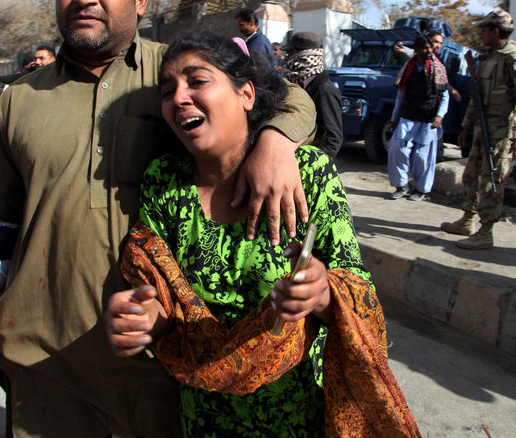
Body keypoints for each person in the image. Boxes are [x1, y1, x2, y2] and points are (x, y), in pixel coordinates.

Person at [0, 0, 316, 437]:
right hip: (45, 363)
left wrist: (274, 141)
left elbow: (290, 95)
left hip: (162, 362)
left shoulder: (175, 75)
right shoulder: (17, 100)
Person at [105, 32, 420, 437]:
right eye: (168, 90)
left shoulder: (308, 173)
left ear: (247, 94)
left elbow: (360, 293)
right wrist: (149, 318)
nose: (179, 98)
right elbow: (165, 300)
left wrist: (322, 293)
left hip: (301, 415)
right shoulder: (163, 182)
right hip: (204, 418)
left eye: (197, 81)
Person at [441, 9, 516, 249]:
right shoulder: (487, 59)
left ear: (495, 30)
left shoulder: (514, 59)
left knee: (491, 182)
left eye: (484, 29)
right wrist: (465, 127)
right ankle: (468, 219)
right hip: (481, 130)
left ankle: (486, 232)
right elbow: (477, 97)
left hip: (501, 133)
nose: (480, 33)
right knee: (471, 176)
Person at [387, 34, 449, 201]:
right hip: (408, 116)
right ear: (417, 50)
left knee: (422, 156)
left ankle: (421, 189)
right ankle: (401, 185)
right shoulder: (409, 67)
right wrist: (394, 118)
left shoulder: (438, 68)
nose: (429, 50)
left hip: (428, 119)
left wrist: (439, 115)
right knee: (398, 149)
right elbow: (401, 95)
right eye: (425, 48)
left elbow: (444, 96)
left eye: (430, 47)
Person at [283, 31, 343, 158]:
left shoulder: (325, 90)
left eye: (290, 53)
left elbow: (333, 139)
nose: (287, 58)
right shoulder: (296, 83)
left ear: (304, 55)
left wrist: (311, 164)